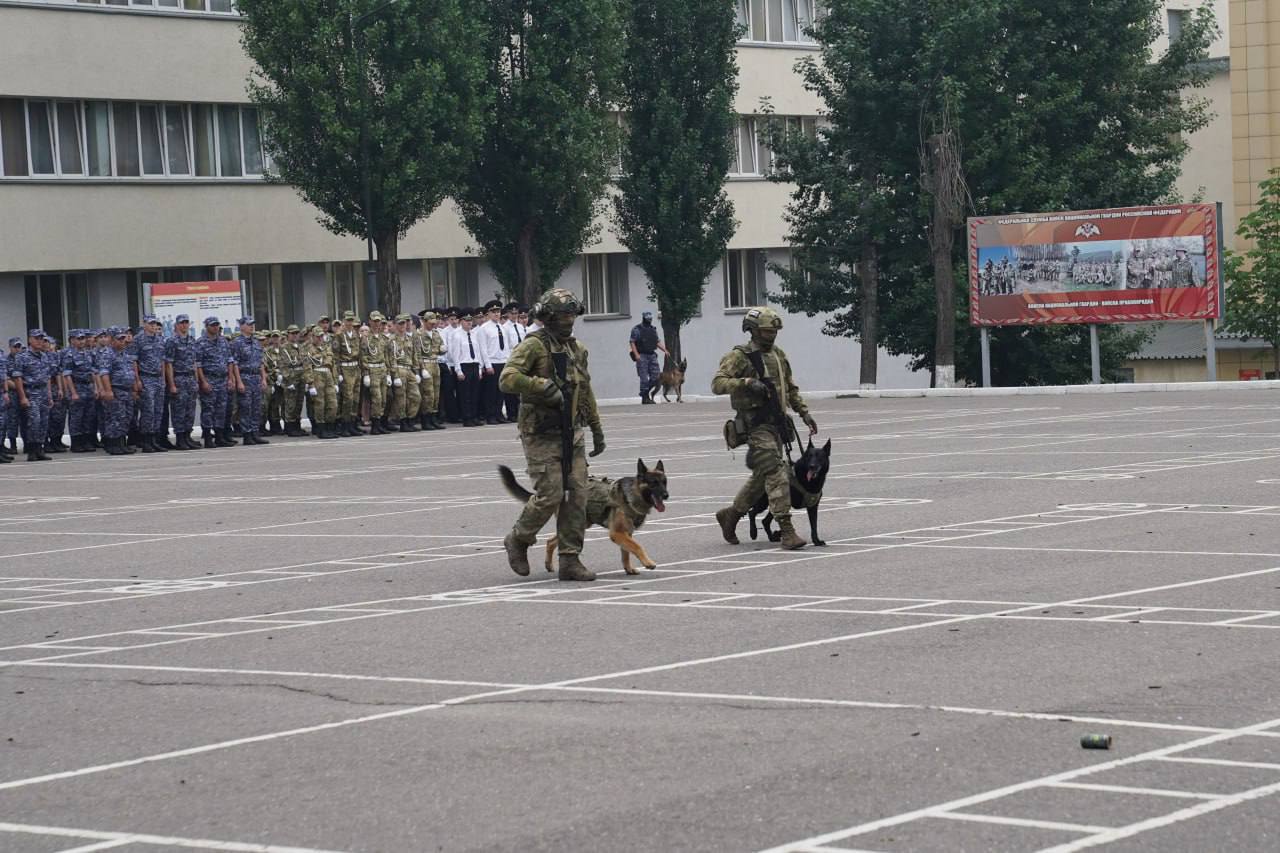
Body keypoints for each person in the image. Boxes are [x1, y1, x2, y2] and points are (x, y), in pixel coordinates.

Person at [499, 288, 605, 582]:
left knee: (578, 495)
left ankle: (570, 558)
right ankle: (519, 538)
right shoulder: (533, 346)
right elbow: (507, 378)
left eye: (571, 315)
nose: (567, 321)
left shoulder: (577, 349)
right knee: (551, 494)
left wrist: (596, 427)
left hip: (573, 431)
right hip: (541, 433)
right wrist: (537, 385)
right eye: (561, 316)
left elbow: (585, 390)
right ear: (547, 318)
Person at [711, 306, 818, 551]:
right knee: (776, 472)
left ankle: (731, 515)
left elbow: (790, 388)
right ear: (753, 331)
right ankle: (787, 530)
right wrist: (746, 382)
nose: (772, 336)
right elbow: (717, 383)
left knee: (762, 478)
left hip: (777, 424)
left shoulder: (779, 355)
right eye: (767, 331)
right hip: (754, 426)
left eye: (774, 331)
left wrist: (804, 413)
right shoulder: (740, 356)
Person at [10, 330, 58, 462]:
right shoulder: (22, 357)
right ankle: (31, 450)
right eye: (36, 338)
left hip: (43, 392)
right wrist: (22, 397)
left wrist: (49, 396)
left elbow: (47, 377)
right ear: (30, 340)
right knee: (34, 422)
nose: (39, 341)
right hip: (31, 392)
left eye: (41, 338)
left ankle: (39, 449)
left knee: (43, 422)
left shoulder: (44, 356)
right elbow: (17, 378)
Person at [98, 327, 140, 456]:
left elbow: (131, 372)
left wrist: (133, 389)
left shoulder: (125, 354)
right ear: (111, 339)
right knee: (114, 418)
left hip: (126, 391)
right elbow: (104, 374)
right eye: (119, 338)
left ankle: (122, 443)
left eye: (124, 338)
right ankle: (113, 444)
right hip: (115, 390)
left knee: (125, 418)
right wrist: (108, 390)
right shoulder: (107, 354)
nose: (123, 341)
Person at [195, 317, 236, 448]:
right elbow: (198, 364)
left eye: (217, 325)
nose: (215, 327)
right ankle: (207, 437)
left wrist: (230, 378)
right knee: (208, 410)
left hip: (222, 379)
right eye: (212, 325)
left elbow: (230, 361)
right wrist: (203, 381)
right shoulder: (200, 343)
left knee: (221, 410)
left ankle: (220, 436)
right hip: (209, 379)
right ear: (206, 326)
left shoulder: (224, 342)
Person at [130, 315, 168, 453]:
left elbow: (162, 360)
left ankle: (154, 439)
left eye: (155, 324)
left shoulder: (160, 339)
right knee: (148, 411)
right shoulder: (137, 340)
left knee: (158, 410)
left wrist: (163, 378)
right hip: (146, 378)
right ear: (144, 324)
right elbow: (134, 361)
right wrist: (137, 380)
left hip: (158, 378)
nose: (153, 326)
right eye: (150, 324)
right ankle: (145, 440)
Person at [229, 317, 269, 445]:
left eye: (253, 324)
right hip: (244, 377)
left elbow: (261, 362)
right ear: (242, 327)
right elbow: (234, 363)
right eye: (249, 324)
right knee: (245, 407)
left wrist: (263, 378)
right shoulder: (237, 343)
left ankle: (255, 433)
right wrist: (238, 381)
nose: (252, 327)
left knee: (256, 407)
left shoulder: (256, 342)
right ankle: (247, 434)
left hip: (256, 377)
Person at [164, 314, 200, 450]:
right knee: (179, 409)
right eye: (182, 323)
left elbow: (194, 362)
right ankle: (180, 438)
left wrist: (196, 380)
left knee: (190, 410)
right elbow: (169, 364)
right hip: (179, 378)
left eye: (186, 323)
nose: (184, 325)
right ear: (177, 325)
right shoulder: (172, 341)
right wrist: (172, 384)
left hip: (190, 378)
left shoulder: (191, 340)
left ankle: (187, 436)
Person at [302, 325, 340, 439]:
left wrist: (335, 381)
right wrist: (310, 384)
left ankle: (330, 426)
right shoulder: (307, 349)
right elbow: (307, 367)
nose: (319, 338)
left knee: (332, 403)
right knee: (320, 404)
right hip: (316, 375)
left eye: (321, 336)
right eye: (317, 336)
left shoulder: (326, 347)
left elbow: (332, 365)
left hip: (328, 375)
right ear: (312, 336)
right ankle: (321, 428)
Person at [475, 299, 509, 425]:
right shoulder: (484, 328)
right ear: (488, 314)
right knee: (491, 391)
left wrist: (507, 361)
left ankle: (499, 413)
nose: (496, 314)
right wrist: (487, 365)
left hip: (502, 361)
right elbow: (483, 348)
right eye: (493, 312)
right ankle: (490, 415)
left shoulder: (502, 327)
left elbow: (505, 346)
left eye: (498, 311)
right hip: (492, 362)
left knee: (501, 390)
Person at [66, 330, 99, 453]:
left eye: (83, 339)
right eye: (78, 339)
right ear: (72, 340)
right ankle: (76, 442)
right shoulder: (69, 355)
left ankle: (86, 441)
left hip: (88, 386)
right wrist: (73, 392)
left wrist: (95, 387)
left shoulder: (88, 354)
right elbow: (67, 375)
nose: (81, 341)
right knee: (76, 416)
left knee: (88, 416)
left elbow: (93, 372)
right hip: (77, 386)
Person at [333, 311, 364, 436]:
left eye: (351, 320)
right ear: (343, 321)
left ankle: (352, 423)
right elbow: (336, 355)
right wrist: (338, 373)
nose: (350, 323)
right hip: (345, 368)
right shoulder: (339, 335)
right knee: (348, 398)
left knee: (356, 398)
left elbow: (360, 353)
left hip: (355, 367)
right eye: (348, 320)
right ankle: (345, 424)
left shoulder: (356, 334)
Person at [361, 311, 393, 434]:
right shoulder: (366, 339)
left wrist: (389, 373)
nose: (376, 324)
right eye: (374, 321)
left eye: (378, 321)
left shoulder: (383, 338)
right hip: (372, 370)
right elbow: (363, 357)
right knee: (377, 398)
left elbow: (387, 357)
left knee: (384, 398)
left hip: (383, 369)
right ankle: (375, 425)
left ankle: (379, 423)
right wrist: (366, 374)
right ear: (370, 322)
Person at [629, 310, 669, 404]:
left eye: (650, 319)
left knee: (656, 376)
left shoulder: (652, 329)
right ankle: (645, 398)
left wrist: (665, 350)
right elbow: (632, 342)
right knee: (644, 378)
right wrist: (636, 355)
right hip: (642, 355)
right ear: (644, 318)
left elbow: (657, 342)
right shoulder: (637, 329)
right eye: (648, 319)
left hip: (652, 355)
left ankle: (644, 393)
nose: (649, 320)